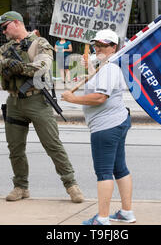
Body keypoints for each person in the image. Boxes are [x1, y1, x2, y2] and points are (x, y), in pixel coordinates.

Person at [0, 10, 84, 203]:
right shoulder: (6, 48)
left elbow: (41, 68)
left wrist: (15, 67)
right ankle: (20, 187)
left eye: (5, 26)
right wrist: (9, 63)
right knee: (15, 148)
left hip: (37, 100)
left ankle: (71, 185)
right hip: (14, 101)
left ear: (16, 23)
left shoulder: (40, 43)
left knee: (53, 145)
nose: (3, 30)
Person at [61, 29, 135, 225]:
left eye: (103, 45)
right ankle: (127, 212)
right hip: (115, 122)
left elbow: (100, 97)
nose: (98, 48)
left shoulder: (110, 68)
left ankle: (102, 218)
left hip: (106, 127)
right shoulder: (106, 67)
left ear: (113, 47)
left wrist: (73, 99)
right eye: (96, 45)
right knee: (120, 169)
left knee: (104, 173)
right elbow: (100, 85)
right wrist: (92, 70)